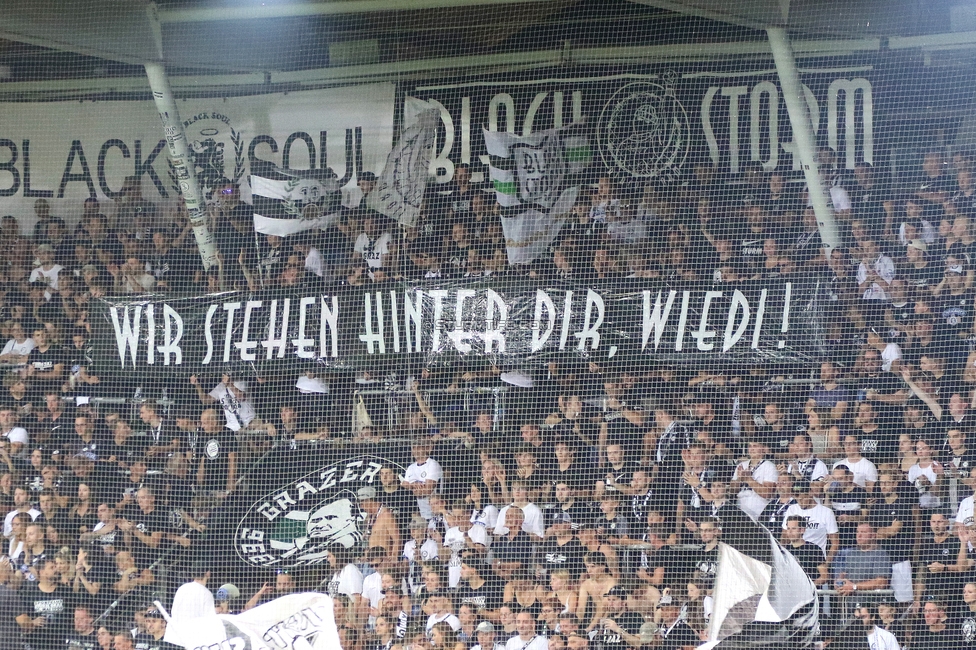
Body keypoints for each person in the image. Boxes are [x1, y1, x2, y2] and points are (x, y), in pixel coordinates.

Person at [164, 560, 216, 646]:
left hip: (172, 637)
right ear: (208, 573)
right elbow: (210, 621)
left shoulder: (182, 588)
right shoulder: (206, 593)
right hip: (190, 641)